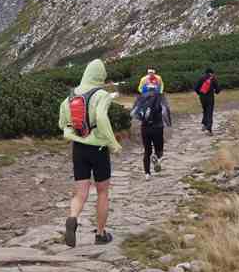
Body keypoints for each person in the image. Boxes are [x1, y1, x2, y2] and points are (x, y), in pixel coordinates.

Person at [58, 59, 122, 248]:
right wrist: (113, 143)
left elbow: (62, 124)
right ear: (100, 75)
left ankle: (72, 218)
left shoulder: (69, 97)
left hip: (78, 148)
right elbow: (102, 118)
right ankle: (101, 234)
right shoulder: (101, 94)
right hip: (98, 149)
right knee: (102, 192)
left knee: (81, 193)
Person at [131, 89, 172, 179]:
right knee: (159, 149)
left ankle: (147, 173)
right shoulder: (160, 96)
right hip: (157, 127)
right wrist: (168, 123)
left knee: (147, 151)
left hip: (145, 128)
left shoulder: (141, 97)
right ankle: (156, 157)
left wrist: (142, 119)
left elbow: (133, 113)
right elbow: (165, 111)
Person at [195, 68, 220, 135]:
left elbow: (196, 88)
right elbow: (218, 89)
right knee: (209, 112)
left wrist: (200, 93)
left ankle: (204, 124)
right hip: (210, 98)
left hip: (202, 98)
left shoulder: (201, 78)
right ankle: (209, 130)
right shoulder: (213, 79)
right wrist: (215, 91)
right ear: (211, 73)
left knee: (205, 110)